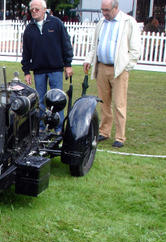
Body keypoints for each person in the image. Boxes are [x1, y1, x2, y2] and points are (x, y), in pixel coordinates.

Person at [83, 0, 140, 148]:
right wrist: (89, 59)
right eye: (102, 10)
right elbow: (95, 45)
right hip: (102, 67)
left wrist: (126, 66)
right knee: (104, 102)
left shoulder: (128, 22)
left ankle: (120, 137)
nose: (104, 13)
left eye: (107, 10)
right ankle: (104, 131)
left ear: (115, 8)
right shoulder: (101, 23)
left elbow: (135, 49)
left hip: (119, 70)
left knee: (119, 104)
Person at [21, 0, 73, 134]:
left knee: (57, 100)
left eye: (37, 9)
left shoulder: (56, 23)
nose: (34, 11)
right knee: (41, 101)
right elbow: (26, 52)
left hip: (55, 69)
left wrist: (68, 64)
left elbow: (66, 44)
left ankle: (59, 127)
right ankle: (43, 127)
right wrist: (26, 71)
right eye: (32, 9)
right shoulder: (29, 29)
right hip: (39, 71)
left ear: (45, 10)